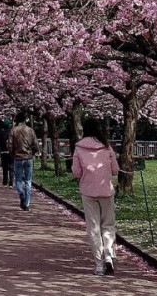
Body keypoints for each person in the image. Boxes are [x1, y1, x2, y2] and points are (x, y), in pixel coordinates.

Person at [71, 118, 119, 276]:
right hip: (106, 190)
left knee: (93, 228)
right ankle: (109, 255)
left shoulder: (79, 147)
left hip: (88, 191)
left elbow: (76, 172)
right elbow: (115, 170)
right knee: (108, 225)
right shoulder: (106, 146)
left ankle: (99, 265)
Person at [8, 111, 39, 211]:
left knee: (18, 179)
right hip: (28, 157)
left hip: (17, 157)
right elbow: (35, 144)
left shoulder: (14, 130)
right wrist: (34, 152)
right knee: (28, 180)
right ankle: (27, 203)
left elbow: (10, 145)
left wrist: (13, 154)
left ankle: (21, 193)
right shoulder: (30, 130)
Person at [0, 118, 14, 188]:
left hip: (3, 152)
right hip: (11, 152)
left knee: (5, 168)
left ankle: (5, 182)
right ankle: (11, 183)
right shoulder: (12, 132)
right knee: (11, 167)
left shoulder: (1, 132)